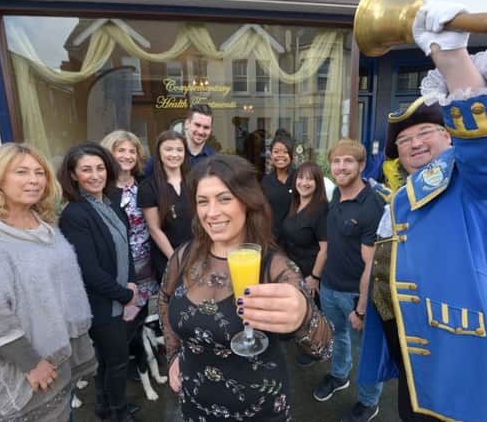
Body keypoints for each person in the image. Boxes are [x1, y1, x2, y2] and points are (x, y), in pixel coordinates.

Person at [355, 1, 487, 422]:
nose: (414, 143)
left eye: (425, 132)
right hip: (406, 344)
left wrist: (452, 61)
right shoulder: (399, 194)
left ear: (450, 138)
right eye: (404, 139)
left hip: (454, 354)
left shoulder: (467, 179)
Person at [158, 154, 333, 421]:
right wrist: (173, 356)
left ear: (248, 202)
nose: (212, 212)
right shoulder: (183, 256)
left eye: (224, 198)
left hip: (257, 408)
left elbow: (324, 349)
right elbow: (165, 301)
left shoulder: (274, 266)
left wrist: (303, 317)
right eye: (203, 201)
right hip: (195, 402)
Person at [0, 143, 96, 422]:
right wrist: (31, 364)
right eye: (21, 172)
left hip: (59, 358)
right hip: (30, 369)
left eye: (39, 172)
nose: (34, 180)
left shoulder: (42, 222)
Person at [57, 142, 141, 422]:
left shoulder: (111, 202)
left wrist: (131, 284)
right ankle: (116, 413)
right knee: (116, 361)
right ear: (72, 175)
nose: (95, 175)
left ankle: (106, 406)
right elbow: (89, 270)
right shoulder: (74, 214)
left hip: (120, 294)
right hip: (101, 304)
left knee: (108, 360)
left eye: (100, 168)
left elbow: (125, 247)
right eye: (86, 170)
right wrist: (124, 295)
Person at [312, 139, 385, 422]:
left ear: (362, 165)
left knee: (367, 351)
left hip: (356, 296)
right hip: (330, 287)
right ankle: (339, 375)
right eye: (336, 161)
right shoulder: (336, 197)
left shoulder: (372, 205)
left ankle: (369, 402)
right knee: (338, 337)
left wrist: (362, 308)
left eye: (348, 161)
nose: (341, 166)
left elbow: (372, 263)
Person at [100, 130, 161, 391]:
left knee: (142, 317)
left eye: (131, 151)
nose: (126, 156)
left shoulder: (143, 183)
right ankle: (116, 374)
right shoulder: (102, 188)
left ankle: (140, 361)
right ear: (109, 154)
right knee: (121, 323)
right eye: (120, 150)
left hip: (147, 263)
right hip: (120, 269)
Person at [281, 161, 329, 367]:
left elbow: (325, 248)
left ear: (318, 183)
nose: (304, 182)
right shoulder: (295, 203)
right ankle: (295, 335)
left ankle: (313, 350)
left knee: (311, 313)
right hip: (294, 268)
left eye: (310, 178)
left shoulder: (320, 209)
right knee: (297, 308)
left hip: (311, 270)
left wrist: (315, 277)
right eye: (301, 177)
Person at [138, 130, 192, 278]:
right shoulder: (148, 187)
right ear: (159, 153)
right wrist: (176, 260)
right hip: (169, 258)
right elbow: (154, 229)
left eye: (179, 150)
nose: (174, 154)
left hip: (197, 254)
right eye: (168, 149)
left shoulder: (195, 181)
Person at [144, 104, 215, 175]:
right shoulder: (165, 156)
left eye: (206, 127)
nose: (200, 131)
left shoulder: (215, 160)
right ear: (187, 124)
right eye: (197, 125)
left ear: (210, 130)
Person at [261, 130, 296, 248]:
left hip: (297, 240)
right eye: (276, 152)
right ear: (271, 155)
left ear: (291, 155)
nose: (280, 155)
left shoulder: (299, 178)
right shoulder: (266, 181)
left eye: (285, 152)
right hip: (273, 239)